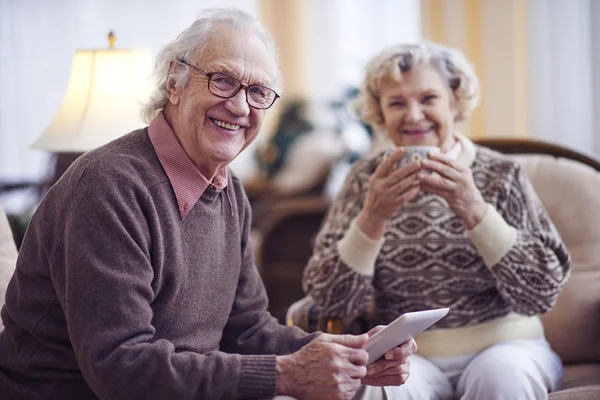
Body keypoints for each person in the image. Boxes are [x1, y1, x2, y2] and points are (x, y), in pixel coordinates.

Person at [0, 9, 415, 400]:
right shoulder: (109, 186)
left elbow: (247, 330)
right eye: (222, 80)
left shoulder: (228, 190)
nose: (239, 106)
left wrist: (347, 353)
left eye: (257, 91)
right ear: (174, 82)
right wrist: (286, 373)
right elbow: (120, 368)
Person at [302, 42, 571, 400]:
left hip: (507, 347)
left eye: (428, 98)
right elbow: (331, 300)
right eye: (397, 103)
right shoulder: (362, 181)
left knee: (501, 376)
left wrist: (473, 207)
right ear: (380, 114)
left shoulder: (501, 174)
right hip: (408, 357)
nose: (413, 116)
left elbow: (541, 291)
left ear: (454, 103)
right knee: (381, 391)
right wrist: (372, 216)